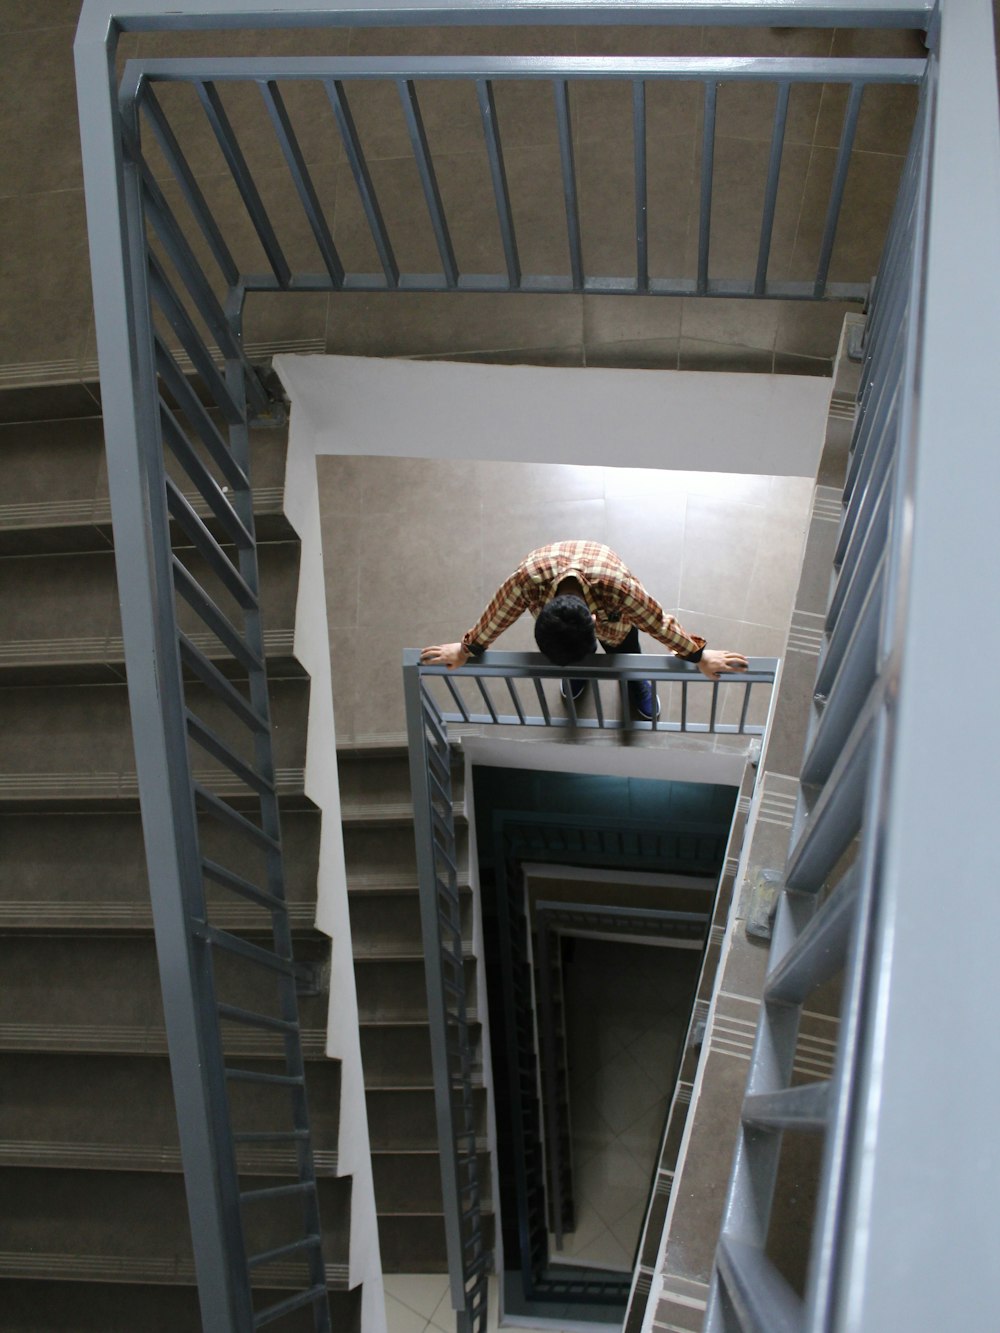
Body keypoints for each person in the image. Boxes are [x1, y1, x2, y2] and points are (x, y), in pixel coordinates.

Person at [420, 540, 748, 721]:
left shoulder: (619, 589)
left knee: (626, 652)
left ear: (594, 621)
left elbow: (658, 621)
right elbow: (499, 614)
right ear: (541, 610)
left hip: (615, 614)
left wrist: (698, 655)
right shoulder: (528, 581)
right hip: (566, 595)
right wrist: (466, 650)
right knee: (573, 656)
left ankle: (636, 684)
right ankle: (577, 673)